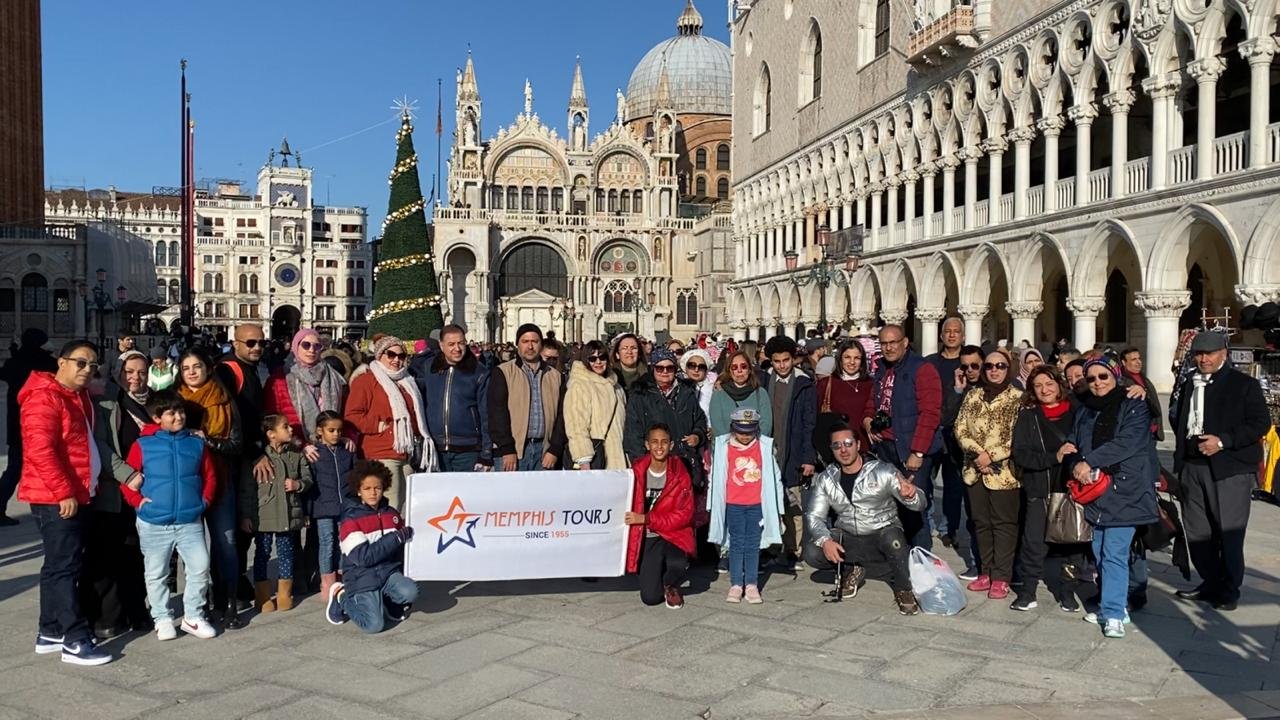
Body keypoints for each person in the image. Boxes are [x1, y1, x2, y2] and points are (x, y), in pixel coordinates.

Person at [20, 340, 114, 665]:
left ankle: (50, 631)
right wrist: (63, 492)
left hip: (76, 492)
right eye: (81, 363)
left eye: (93, 365)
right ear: (61, 362)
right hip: (56, 498)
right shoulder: (44, 397)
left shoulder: (75, 395)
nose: (87, 370)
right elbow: (40, 451)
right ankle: (74, 639)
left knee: (57, 565)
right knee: (65, 568)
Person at [1171, 332, 1272, 611]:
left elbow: (1260, 423)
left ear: (1224, 354)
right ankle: (1211, 581)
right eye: (1199, 354)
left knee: (1228, 531)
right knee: (1197, 530)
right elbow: (1178, 420)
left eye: (1210, 353)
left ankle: (1229, 589)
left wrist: (1223, 441)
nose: (1204, 359)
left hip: (1229, 468)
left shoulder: (1244, 384)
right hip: (1192, 467)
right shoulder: (1189, 382)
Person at [1069, 356, 1159, 638]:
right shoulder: (1086, 410)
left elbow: (1127, 442)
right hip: (1096, 490)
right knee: (1099, 551)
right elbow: (1075, 440)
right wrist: (1072, 458)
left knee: (1114, 553)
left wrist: (1089, 461)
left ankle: (1113, 613)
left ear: (1115, 375)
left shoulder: (1134, 403)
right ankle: (1115, 603)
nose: (1097, 382)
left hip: (1125, 490)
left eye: (1103, 376)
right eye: (1091, 378)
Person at [120, 389, 219, 641]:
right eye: (171, 413)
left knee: (200, 567)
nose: (178, 417)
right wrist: (139, 503)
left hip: (189, 521)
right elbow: (127, 480)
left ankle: (193, 616)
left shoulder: (196, 443)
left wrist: (204, 501)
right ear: (157, 417)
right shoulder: (143, 445)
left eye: (181, 411)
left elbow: (209, 476)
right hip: (154, 522)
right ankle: (162, 618)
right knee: (156, 573)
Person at [803, 423, 922, 615]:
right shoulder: (826, 478)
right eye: (837, 446)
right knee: (812, 551)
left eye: (848, 443)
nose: (843, 450)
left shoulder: (883, 470)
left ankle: (904, 588)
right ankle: (851, 571)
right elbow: (814, 516)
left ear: (858, 445)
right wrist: (825, 541)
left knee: (894, 540)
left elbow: (919, 505)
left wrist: (912, 496)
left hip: (882, 534)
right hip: (849, 535)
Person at [1010, 366, 1092, 612]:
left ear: (1059, 385)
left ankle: (1067, 591)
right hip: (1040, 488)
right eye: (1038, 386)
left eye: (1049, 384)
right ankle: (1028, 591)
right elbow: (1021, 454)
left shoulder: (1078, 412)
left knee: (1073, 543)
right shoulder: (1028, 416)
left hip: (1072, 488)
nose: (1044, 390)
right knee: (1033, 542)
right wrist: (1053, 457)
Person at [83, 350, 151, 639]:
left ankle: (136, 610)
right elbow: (99, 444)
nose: (135, 378)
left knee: (137, 554)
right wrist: (127, 474)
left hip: (145, 492)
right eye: (129, 371)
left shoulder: (155, 402)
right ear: (117, 372)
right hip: (115, 489)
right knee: (107, 554)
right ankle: (105, 618)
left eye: (141, 372)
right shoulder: (106, 401)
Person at [176, 348, 243, 624]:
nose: (191, 372)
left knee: (226, 542)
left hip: (220, 478)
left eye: (197, 366)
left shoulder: (224, 399)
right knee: (191, 546)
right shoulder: (175, 400)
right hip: (188, 482)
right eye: (186, 368)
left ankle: (228, 602)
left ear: (208, 368)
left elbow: (236, 443)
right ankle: (197, 603)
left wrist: (209, 441)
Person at [862, 324, 943, 550]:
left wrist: (918, 452)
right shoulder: (881, 369)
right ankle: (899, 557)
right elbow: (873, 401)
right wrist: (867, 419)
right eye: (884, 343)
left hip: (911, 449)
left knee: (914, 508)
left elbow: (930, 413)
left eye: (893, 342)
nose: (888, 348)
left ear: (905, 343)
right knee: (891, 509)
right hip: (886, 448)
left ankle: (921, 558)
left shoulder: (922, 369)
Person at [954, 348, 1023, 600]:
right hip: (974, 470)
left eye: (1000, 366)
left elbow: (1017, 436)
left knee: (1004, 525)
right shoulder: (973, 395)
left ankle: (1002, 575)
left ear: (1009, 369)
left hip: (1004, 473)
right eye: (989, 366)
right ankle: (986, 571)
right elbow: (960, 427)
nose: (994, 370)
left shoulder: (1018, 398)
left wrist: (990, 456)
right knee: (980, 523)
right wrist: (977, 454)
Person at [326, 460, 420, 633]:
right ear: (358, 491)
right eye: (367, 488)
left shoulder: (391, 514)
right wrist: (396, 537)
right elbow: (364, 558)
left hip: (387, 572)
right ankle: (342, 596)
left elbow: (401, 548)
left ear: (384, 488)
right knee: (374, 626)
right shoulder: (350, 520)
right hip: (361, 576)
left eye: (377, 487)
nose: (373, 493)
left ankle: (387, 600)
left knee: (410, 592)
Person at [707, 409, 784, 604]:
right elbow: (714, 478)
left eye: (749, 432)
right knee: (736, 544)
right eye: (741, 431)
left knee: (752, 544)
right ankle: (735, 583)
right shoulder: (723, 447)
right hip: (733, 504)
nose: (745, 436)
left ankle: (751, 583)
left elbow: (775, 478)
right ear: (733, 428)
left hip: (757, 504)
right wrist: (711, 505)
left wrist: (779, 509)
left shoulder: (764, 446)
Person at [218, 322, 269, 614]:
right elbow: (232, 419)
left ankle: (235, 578)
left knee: (245, 522)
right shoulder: (229, 369)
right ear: (235, 343)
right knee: (235, 524)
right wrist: (254, 451)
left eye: (261, 342)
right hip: (236, 459)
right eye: (250, 343)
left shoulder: (250, 369)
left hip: (247, 455)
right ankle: (227, 586)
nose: (257, 347)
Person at [346, 335, 429, 510]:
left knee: (408, 507)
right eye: (391, 354)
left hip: (407, 453)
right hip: (381, 452)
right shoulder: (366, 380)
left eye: (401, 356)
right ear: (379, 355)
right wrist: (378, 425)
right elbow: (352, 416)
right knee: (391, 506)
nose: (396, 360)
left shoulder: (407, 381)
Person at [242, 414, 312, 613]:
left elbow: (308, 479)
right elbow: (247, 490)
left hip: (288, 515)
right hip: (263, 515)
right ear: (271, 434)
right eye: (285, 426)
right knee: (262, 554)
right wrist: (246, 515)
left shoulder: (296, 454)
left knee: (286, 553)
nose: (291, 429)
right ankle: (263, 596)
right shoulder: (258, 459)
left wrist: (298, 484)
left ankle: (284, 593)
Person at [624, 423, 695, 608]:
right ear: (647, 445)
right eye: (654, 442)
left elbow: (685, 514)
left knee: (677, 562)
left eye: (664, 442)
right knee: (650, 597)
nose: (659, 446)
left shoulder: (680, 472)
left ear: (671, 445)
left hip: (673, 533)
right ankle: (657, 574)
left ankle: (672, 584)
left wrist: (647, 518)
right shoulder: (635, 472)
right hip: (648, 536)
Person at [763, 336, 817, 569]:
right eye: (777, 361)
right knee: (770, 501)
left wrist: (808, 457)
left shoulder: (804, 384)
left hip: (793, 450)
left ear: (793, 359)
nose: (782, 365)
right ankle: (772, 548)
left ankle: (794, 550)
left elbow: (809, 423)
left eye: (786, 360)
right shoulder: (764, 380)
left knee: (793, 503)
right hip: (769, 449)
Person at [411, 324, 492, 473]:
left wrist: (486, 452)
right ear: (441, 346)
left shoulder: (478, 372)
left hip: (468, 449)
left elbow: (486, 413)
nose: (457, 348)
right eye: (451, 344)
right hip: (435, 448)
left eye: (461, 343)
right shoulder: (429, 367)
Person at [489, 324, 567, 472]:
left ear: (541, 345)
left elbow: (562, 415)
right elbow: (497, 413)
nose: (530, 346)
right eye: (525, 341)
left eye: (534, 342)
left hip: (545, 452)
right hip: (513, 452)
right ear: (517, 344)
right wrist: (507, 448)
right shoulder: (503, 372)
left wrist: (555, 449)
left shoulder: (555, 376)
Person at [623, 348, 708, 485]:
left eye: (669, 368)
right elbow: (633, 435)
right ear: (653, 369)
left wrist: (697, 436)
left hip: (685, 463)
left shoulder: (686, 392)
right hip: (655, 464)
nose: (665, 372)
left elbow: (699, 419)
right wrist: (643, 465)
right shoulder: (640, 395)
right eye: (659, 368)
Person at [0, 327, 57, 525]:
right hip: (41, 424)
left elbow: (8, 371)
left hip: (17, 425)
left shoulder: (15, 362)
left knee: (14, 469)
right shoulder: (47, 363)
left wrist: (14, 352)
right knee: (47, 465)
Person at [309, 410, 354, 602]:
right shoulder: (314, 454)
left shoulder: (346, 451)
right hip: (323, 508)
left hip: (345, 506)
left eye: (339, 430)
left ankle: (342, 579)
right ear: (320, 431)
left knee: (344, 543)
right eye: (331, 430)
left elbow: (355, 476)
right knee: (327, 543)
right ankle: (327, 583)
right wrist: (308, 511)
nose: (336, 434)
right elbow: (310, 483)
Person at [564, 340, 628, 470]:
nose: (598, 362)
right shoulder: (579, 385)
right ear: (586, 361)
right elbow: (576, 425)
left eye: (602, 357)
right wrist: (583, 458)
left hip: (618, 457)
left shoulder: (616, 386)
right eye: (592, 359)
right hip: (596, 458)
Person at [815, 341, 874, 463]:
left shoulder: (871, 384)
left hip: (865, 449)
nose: (852, 362)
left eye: (857, 358)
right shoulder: (826, 384)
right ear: (840, 359)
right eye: (847, 357)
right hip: (836, 450)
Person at [709, 350, 773, 438]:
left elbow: (766, 424)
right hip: (727, 444)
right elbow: (718, 426)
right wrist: (734, 443)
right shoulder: (719, 393)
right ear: (729, 371)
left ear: (749, 369)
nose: (739, 370)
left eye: (743, 366)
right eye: (734, 367)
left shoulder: (760, 393)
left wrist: (752, 443)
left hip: (756, 444)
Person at [1119, 347, 1165, 442]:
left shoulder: (1143, 378)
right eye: (1133, 359)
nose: (1139, 362)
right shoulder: (1121, 381)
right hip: (1136, 433)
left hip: (1151, 431)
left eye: (1139, 358)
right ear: (1124, 362)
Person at [681, 349, 716, 419]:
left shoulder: (714, 388)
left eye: (701, 367)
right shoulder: (679, 387)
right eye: (692, 365)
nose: (696, 370)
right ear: (685, 367)